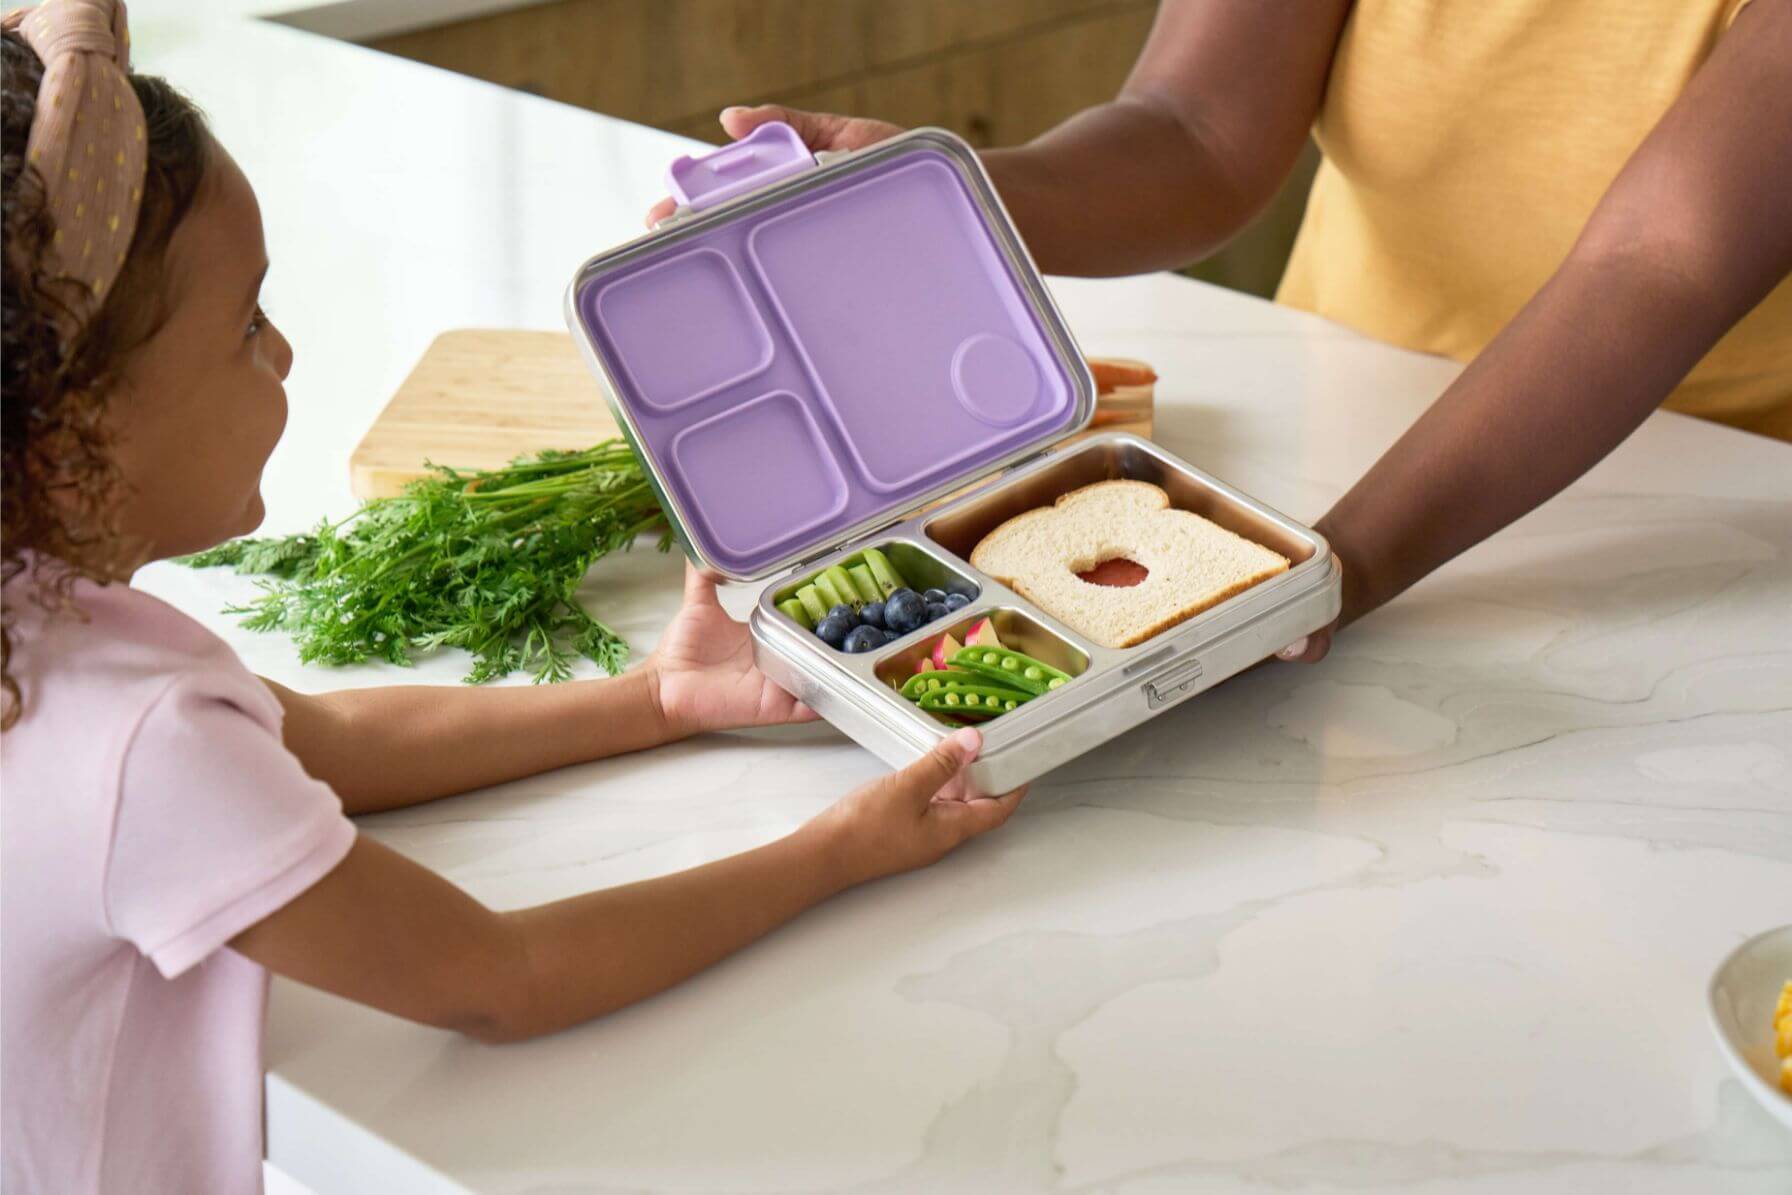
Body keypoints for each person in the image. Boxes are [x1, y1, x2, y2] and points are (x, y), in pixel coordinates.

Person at [0, 5, 1022, 1191]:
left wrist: (657, 701)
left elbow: (319, 738)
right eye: (244, 325)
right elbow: (501, 979)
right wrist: (836, 851)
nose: (281, 356)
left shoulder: (36, 619)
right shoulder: (142, 745)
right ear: (69, 431)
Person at [657, 0, 1792, 662]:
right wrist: (935, 192)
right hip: (1335, 409)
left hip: (1708, 511)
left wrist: (1339, 565)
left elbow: (1657, 263)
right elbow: (1194, 132)